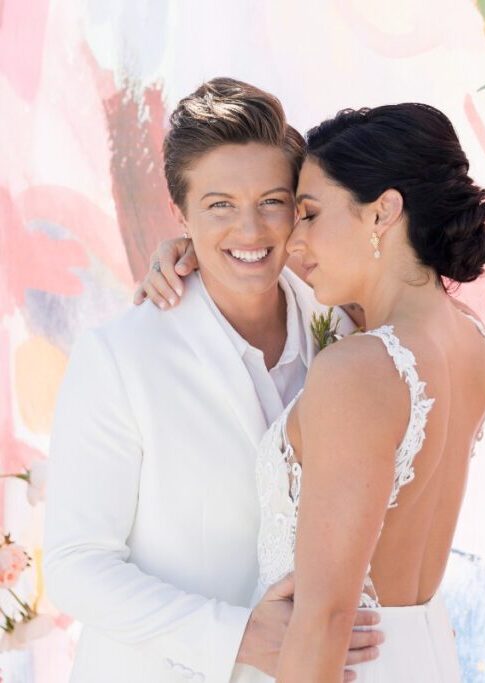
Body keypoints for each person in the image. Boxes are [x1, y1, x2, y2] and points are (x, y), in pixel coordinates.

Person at [140, 101, 485, 681]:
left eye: (308, 214)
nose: (293, 240)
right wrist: (195, 253)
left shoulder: (358, 369)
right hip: (425, 657)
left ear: (383, 212)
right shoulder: (472, 343)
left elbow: (328, 615)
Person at [43, 78, 383, 683]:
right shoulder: (120, 357)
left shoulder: (344, 324)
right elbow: (76, 564)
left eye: (272, 201)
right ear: (181, 215)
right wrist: (236, 637)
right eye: (220, 205)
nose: (250, 231)